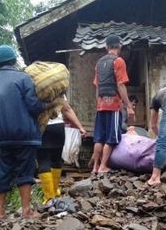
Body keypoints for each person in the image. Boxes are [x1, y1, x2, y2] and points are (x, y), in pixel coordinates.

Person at [0, 45, 62, 219]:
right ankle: (26, 210)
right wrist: (52, 103)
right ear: (14, 60)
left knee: (3, 170)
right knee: (25, 171)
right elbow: (34, 107)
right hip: (23, 134)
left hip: (0, 135)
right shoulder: (23, 78)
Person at [91, 34, 135, 174]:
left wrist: (98, 103)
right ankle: (103, 166)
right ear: (119, 46)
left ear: (106, 47)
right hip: (113, 105)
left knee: (99, 137)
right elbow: (120, 85)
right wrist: (128, 106)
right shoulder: (118, 61)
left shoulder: (99, 63)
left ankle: (95, 168)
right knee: (111, 137)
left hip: (101, 104)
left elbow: (97, 86)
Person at [37, 97, 87, 204]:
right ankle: (55, 192)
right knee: (56, 159)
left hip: (42, 127)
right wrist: (80, 127)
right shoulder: (58, 89)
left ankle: (49, 198)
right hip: (58, 127)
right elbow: (67, 109)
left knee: (43, 161)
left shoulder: (36, 88)